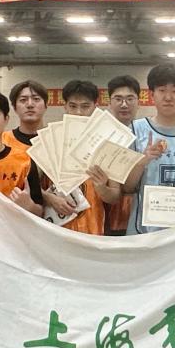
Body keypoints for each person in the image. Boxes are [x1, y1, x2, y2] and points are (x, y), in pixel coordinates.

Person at [122, 64, 175, 234]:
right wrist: (143, 160)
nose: (168, 97)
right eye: (161, 90)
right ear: (152, 94)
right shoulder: (135, 130)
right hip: (142, 228)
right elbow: (127, 187)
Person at [57, 79, 124, 234]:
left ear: (95, 107)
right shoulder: (52, 139)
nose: (79, 112)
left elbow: (115, 196)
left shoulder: (109, 143)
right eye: (73, 106)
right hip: (56, 228)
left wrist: (102, 188)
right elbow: (35, 188)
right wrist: (49, 198)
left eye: (85, 106)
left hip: (94, 229)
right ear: (65, 107)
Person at [5, 79, 78, 220]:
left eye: (36, 99)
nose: (30, 104)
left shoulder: (59, 139)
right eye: (23, 100)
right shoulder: (3, 141)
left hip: (59, 218)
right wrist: (48, 197)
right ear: (14, 107)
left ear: (46, 105)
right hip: (15, 217)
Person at [104, 75, 141, 236]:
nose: (124, 104)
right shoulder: (100, 135)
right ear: (109, 102)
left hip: (140, 207)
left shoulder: (147, 135)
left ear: (138, 101)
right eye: (118, 99)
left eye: (130, 99)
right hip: (105, 208)